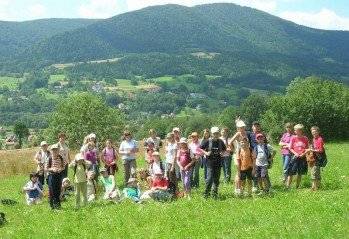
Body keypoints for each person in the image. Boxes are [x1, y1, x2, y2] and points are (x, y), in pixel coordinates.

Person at [200, 127, 226, 199]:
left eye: (217, 133)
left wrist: (222, 153)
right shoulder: (208, 141)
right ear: (212, 134)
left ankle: (214, 194)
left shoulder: (221, 142)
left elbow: (224, 149)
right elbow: (200, 148)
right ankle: (206, 194)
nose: (216, 134)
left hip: (218, 163)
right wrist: (206, 153)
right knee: (209, 179)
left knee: (216, 179)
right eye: (214, 133)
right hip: (209, 163)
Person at [286, 124, 309, 189]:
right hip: (295, 156)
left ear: (301, 131)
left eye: (296, 130)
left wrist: (303, 154)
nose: (295, 131)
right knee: (291, 172)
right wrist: (295, 153)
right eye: (295, 130)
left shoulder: (305, 138)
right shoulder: (293, 138)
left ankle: (297, 186)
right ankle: (288, 186)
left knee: (300, 172)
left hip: (302, 157)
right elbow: (290, 148)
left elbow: (307, 148)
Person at [230, 120, 249, 194]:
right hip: (238, 154)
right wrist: (234, 151)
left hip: (244, 154)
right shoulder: (238, 133)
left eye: (243, 127)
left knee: (243, 170)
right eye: (240, 127)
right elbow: (230, 142)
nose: (242, 128)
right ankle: (236, 189)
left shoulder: (246, 133)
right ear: (238, 128)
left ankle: (241, 189)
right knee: (239, 172)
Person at [45, 144, 64, 210]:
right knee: (52, 191)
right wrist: (52, 169)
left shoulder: (61, 158)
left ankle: (58, 205)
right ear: (51, 151)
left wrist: (60, 169)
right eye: (53, 150)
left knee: (58, 190)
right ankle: (52, 206)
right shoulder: (49, 158)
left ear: (58, 150)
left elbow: (63, 166)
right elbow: (46, 168)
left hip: (59, 175)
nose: (55, 151)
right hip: (51, 176)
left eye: (56, 150)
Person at [310, 126, 326, 191]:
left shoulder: (320, 139)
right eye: (312, 132)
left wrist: (311, 150)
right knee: (317, 172)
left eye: (315, 132)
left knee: (314, 172)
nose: (313, 133)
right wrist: (311, 148)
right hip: (315, 157)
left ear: (318, 132)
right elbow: (314, 147)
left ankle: (314, 187)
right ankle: (318, 186)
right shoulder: (314, 139)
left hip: (319, 158)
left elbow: (321, 150)